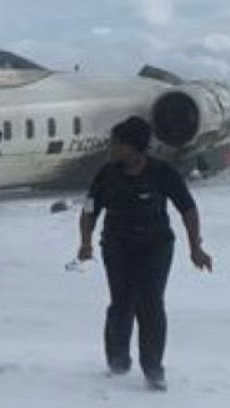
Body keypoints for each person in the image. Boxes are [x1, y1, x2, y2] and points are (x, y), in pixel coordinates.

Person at [77, 116, 212, 391]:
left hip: (155, 246)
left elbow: (187, 209)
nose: (111, 149)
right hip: (117, 246)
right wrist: (85, 242)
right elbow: (90, 210)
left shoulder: (162, 172)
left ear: (132, 148)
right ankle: (117, 362)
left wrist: (195, 247)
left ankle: (153, 369)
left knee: (150, 305)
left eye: (116, 144)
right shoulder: (107, 174)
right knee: (121, 303)